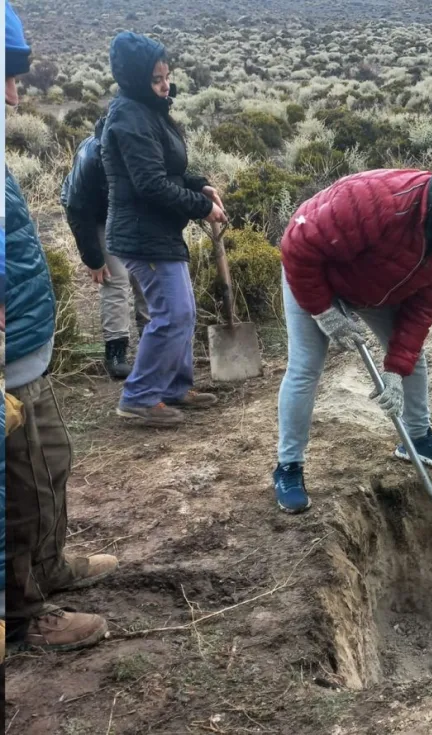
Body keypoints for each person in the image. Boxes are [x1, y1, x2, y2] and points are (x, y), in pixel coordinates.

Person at [275, 168, 432, 514]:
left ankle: (416, 437)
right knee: (306, 367)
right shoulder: (376, 201)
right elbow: (297, 246)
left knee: (414, 361)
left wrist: (396, 368)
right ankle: (288, 467)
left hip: (379, 288)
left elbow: (421, 311)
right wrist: (323, 311)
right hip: (314, 272)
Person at [5, 0, 117, 653]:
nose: (16, 93)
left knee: (48, 463)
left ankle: (47, 565)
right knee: (15, 492)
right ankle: (22, 613)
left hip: (25, 348)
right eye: (7, 74)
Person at [100, 31, 228, 427]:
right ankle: (139, 397)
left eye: (167, 76)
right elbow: (150, 184)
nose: (165, 84)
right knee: (173, 313)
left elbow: (167, 169)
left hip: (158, 231)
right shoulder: (129, 117)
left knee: (181, 312)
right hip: (142, 233)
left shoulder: (150, 110)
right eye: (157, 79)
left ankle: (173, 386)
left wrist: (196, 183)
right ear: (138, 79)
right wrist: (201, 207)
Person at [62, 115, 151, 379]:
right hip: (95, 216)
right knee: (115, 278)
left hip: (130, 213)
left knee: (145, 275)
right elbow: (78, 208)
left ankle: (152, 342)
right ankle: (116, 352)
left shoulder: (143, 147)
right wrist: (93, 259)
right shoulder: (91, 158)